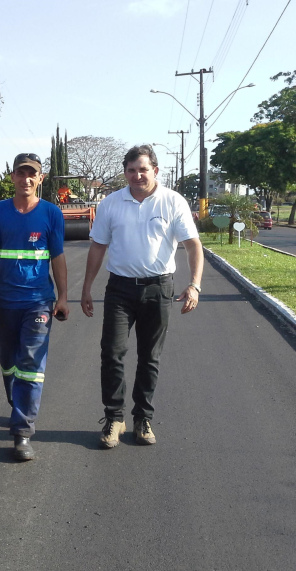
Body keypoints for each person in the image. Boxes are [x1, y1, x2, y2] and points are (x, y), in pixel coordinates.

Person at [80, 144, 203, 449]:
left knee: (150, 357)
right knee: (112, 353)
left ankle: (142, 419)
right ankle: (114, 418)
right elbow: (97, 247)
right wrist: (86, 288)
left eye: (143, 169)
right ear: (125, 172)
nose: (137, 175)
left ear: (155, 171)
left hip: (158, 288)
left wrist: (195, 285)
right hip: (120, 289)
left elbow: (192, 245)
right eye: (131, 170)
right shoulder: (110, 204)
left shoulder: (173, 202)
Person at [0, 153, 69, 461]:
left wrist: (63, 297)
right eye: (21, 173)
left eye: (33, 174)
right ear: (13, 176)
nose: (26, 179)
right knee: (8, 360)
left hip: (38, 301)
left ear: (40, 179)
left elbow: (57, 257)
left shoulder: (52, 213)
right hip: (5, 301)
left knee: (30, 360)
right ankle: (16, 400)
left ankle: (22, 431)